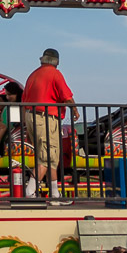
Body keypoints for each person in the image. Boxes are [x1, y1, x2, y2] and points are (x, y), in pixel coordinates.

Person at [21, 48, 78, 205]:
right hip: (47, 118)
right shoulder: (54, 74)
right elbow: (67, 96)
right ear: (56, 61)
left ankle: (54, 196)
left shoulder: (33, 75)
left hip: (31, 117)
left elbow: (24, 99)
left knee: (50, 156)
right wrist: (75, 109)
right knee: (47, 157)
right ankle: (30, 191)